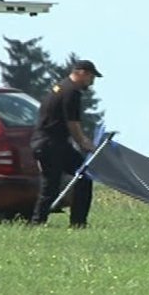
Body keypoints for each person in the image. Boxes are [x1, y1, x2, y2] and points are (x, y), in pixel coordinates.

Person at [29, 59, 103, 228]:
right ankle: (40, 223)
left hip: (49, 142)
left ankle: (76, 223)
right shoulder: (72, 92)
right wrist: (84, 143)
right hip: (51, 144)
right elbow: (73, 124)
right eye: (91, 77)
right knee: (53, 186)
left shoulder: (61, 87)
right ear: (81, 73)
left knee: (81, 177)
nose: (91, 82)